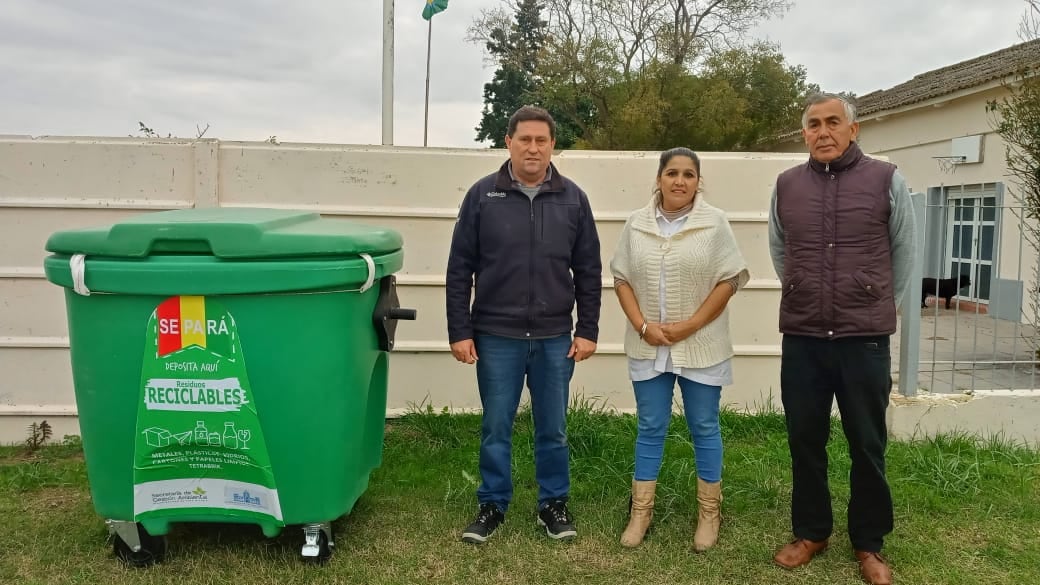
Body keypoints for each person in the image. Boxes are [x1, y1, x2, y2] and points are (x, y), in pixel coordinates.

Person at [768, 93, 916, 585]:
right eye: (814, 124)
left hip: (864, 338)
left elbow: (904, 251)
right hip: (804, 335)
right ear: (804, 132)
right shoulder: (786, 185)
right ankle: (812, 532)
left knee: (867, 444)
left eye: (834, 122)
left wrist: (875, 302)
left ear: (854, 130)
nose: (823, 131)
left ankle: (868, 543)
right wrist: (802, 288)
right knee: (804, 439)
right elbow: (779, 247)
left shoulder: (886, 179)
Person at [445, 105, 602, 544]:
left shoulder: (573, 198)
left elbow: (588, 269)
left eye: (542, 140)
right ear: (508, 142)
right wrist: (460, 330)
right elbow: (460, 268)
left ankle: (553, 503)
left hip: (555, 338)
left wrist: (587, 328)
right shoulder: (482, 196)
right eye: (525, 139)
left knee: (553, 427)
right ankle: (492, 503)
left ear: (553, 145)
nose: (533, 148)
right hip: (496, 336)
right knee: (497, 425)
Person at [610, 147, 749, 551]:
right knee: (650, 426)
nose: (679, 181)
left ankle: (709, 513)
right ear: (658, 178)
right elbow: (621, 279)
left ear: (698, 181)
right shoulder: (636, 224)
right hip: (647, 344)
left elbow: (730, 279)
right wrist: (643, 326)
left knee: (703, 426)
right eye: (671, 173)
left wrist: (690, 325)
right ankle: (641, 512)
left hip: (702, 344)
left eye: (689, 174)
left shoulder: (715, 223)